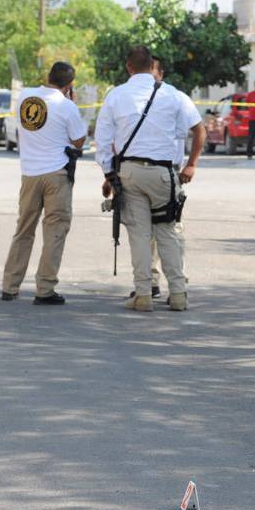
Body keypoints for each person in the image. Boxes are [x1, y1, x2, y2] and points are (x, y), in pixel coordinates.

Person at [95, 46, 206, 312]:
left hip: (130, 173)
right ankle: (178, 294)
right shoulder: (173, 95)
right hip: (164, 173)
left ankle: (143, 294)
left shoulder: (116, 95)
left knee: (139, 236)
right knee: (167, 232)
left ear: (129, 67)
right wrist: (191, 164)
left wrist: (109, 174)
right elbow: (196, 129)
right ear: (151, 67)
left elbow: (102, 141)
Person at [0, 62, 87, 305]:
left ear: (48, 76)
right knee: (55, 231)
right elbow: (79, 141)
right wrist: (71, 103)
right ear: (70, 85)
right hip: (56, 174)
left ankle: (10, 286)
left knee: (24, 229)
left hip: (29, 173)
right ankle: (45, 288)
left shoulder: (25, 96)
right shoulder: (67, 106)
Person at [133, 55, 194, 301]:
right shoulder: (135, 97)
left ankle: (178, 286)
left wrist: (191, 165)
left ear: (160, 73)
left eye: (153, 71)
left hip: (170, 170)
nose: (149, 76)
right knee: (145, 233)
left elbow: (198, 130)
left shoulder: (176, 97)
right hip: (144, 171)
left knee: (171, 232)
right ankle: (150, 282)